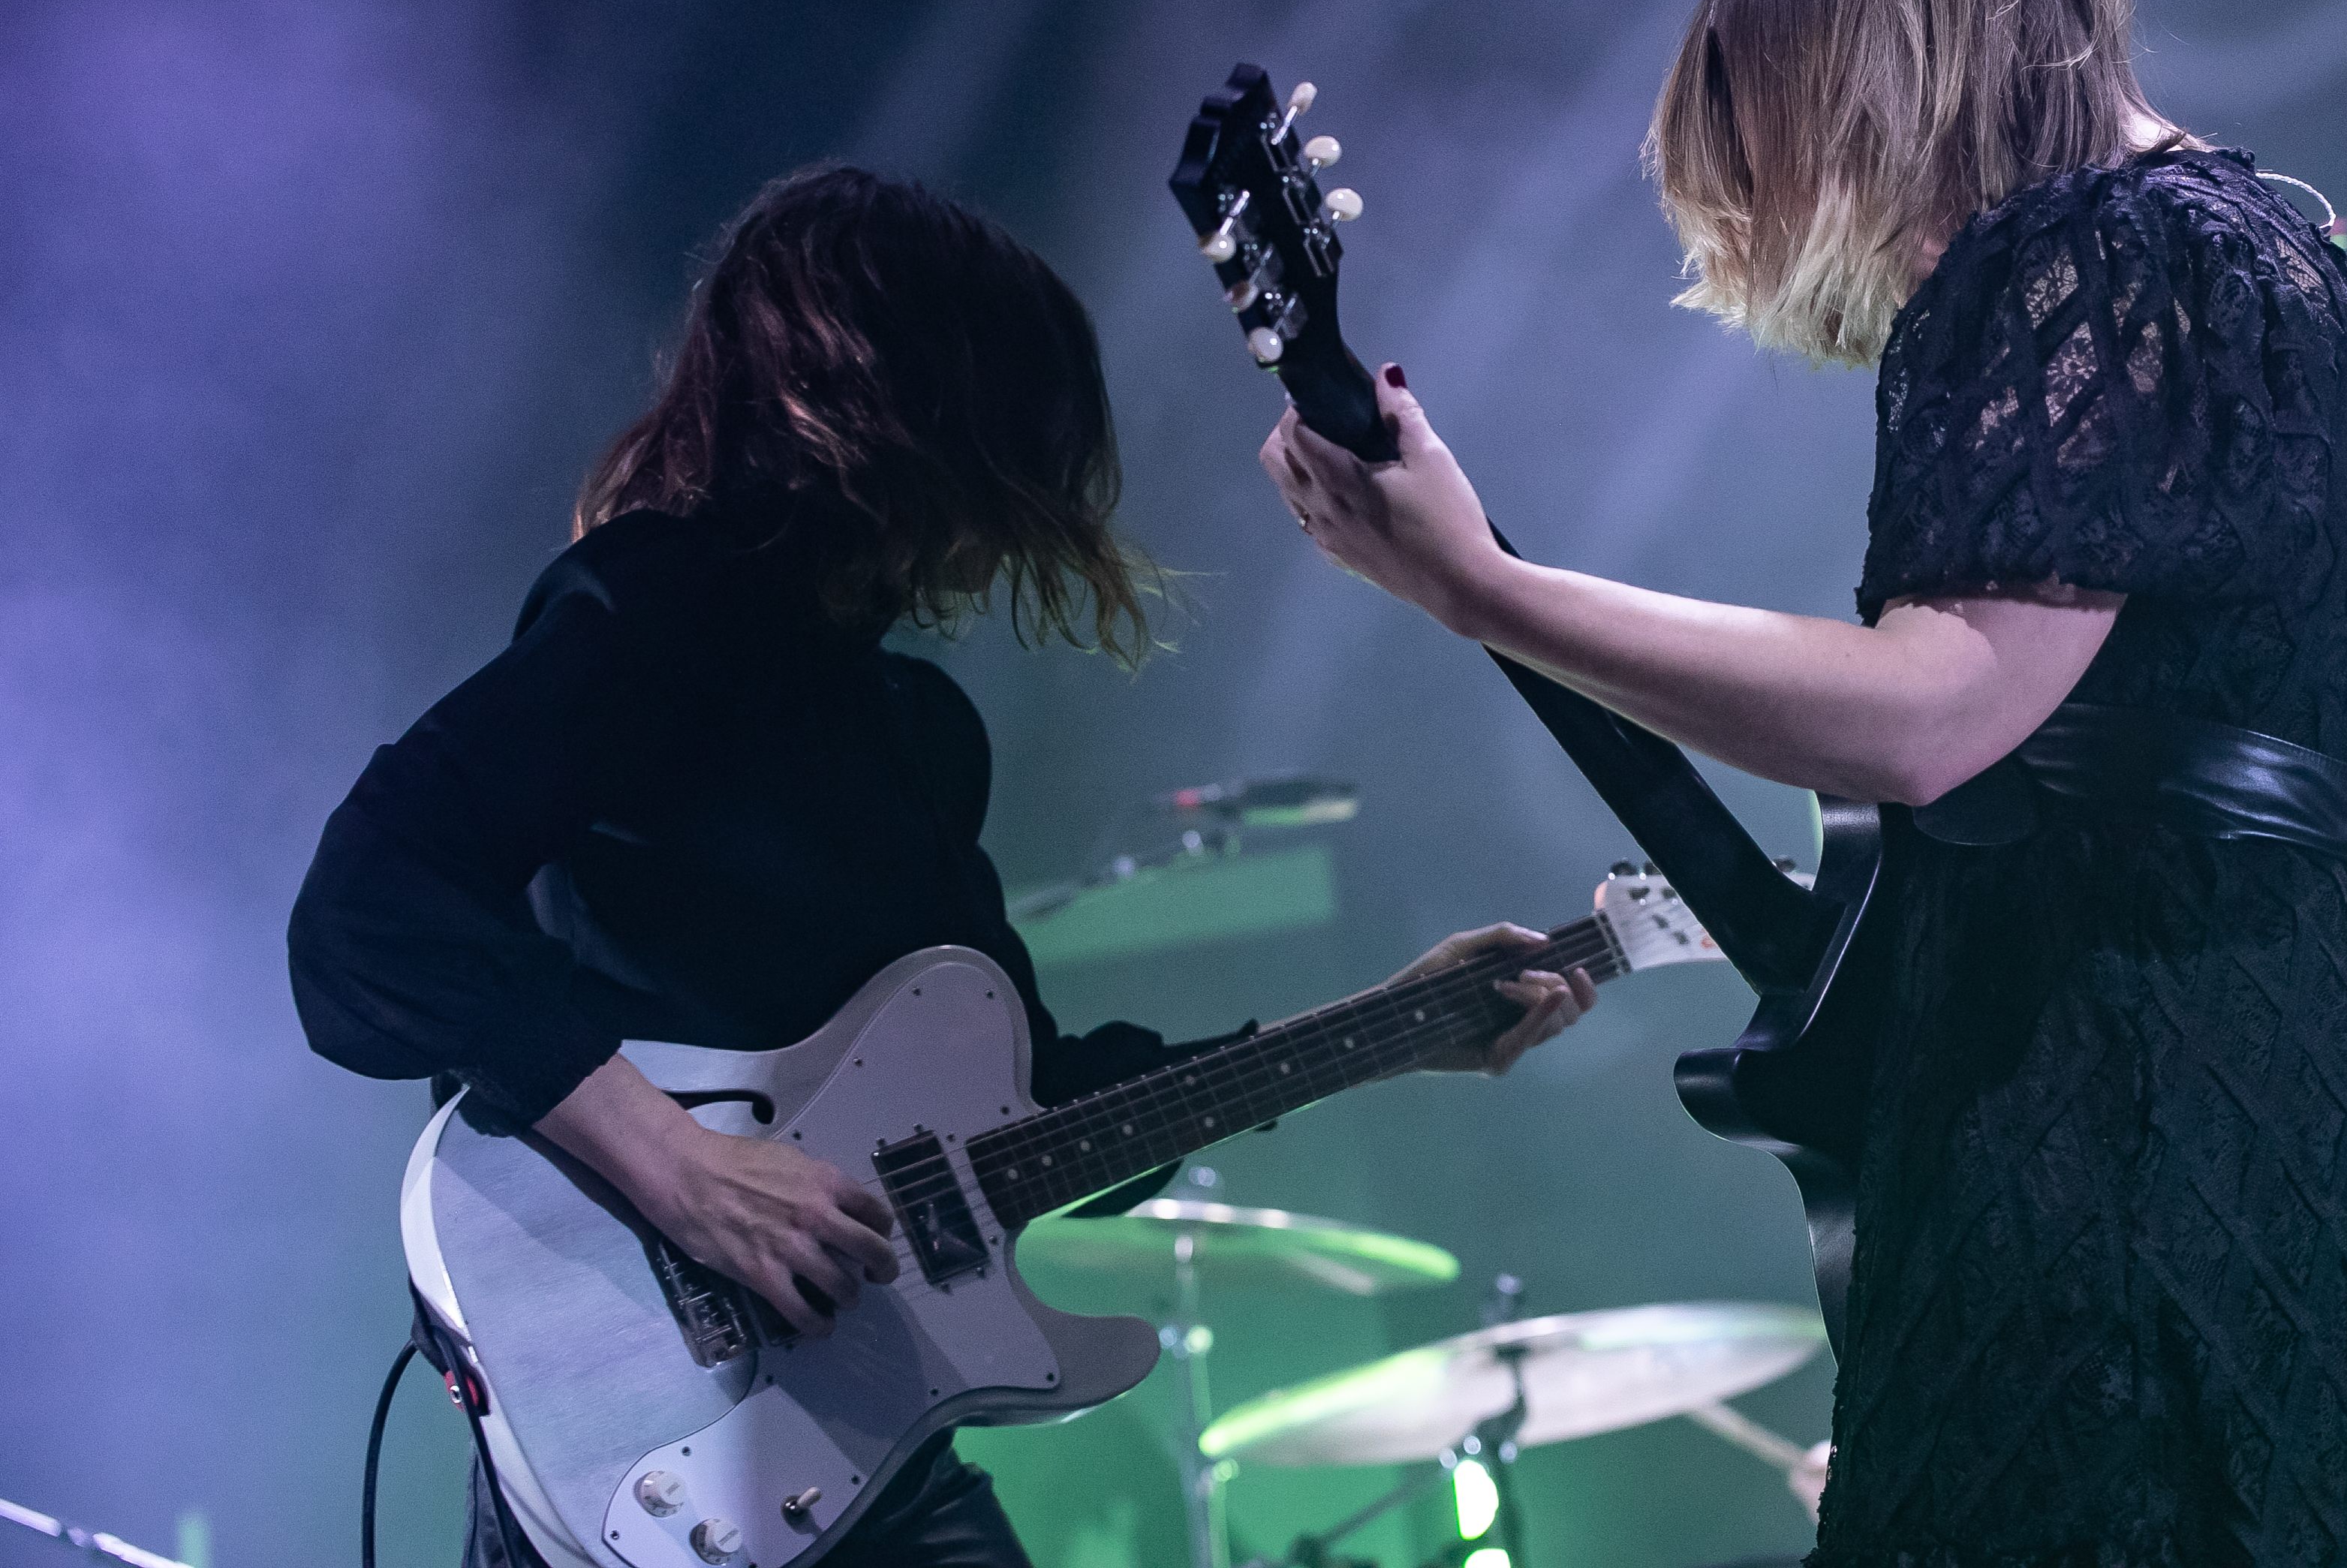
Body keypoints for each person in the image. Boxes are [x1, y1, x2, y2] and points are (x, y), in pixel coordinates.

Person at [1261, 0, 2347, 1565]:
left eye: (1783, 150)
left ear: (1868, 77)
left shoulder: (2083, 257)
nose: (1835, 238)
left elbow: (1929, 712)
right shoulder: (2270, 248)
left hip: (2147, 1143)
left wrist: (1485, 589)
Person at [288, 165, 1595, 1568]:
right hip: (644, 1428)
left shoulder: (915, 731)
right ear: (911, 413)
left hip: (861, 1440)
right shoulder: (654, 606)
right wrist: (683, 1170)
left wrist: (1385, 1033)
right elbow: (365, 911)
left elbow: (1028, 1109)